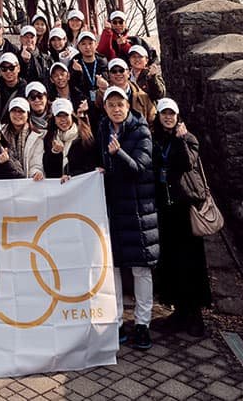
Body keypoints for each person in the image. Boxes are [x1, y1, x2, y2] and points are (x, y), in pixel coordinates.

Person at [95, 86, 158, 350]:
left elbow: (140, 168)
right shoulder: (102, 129)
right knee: (116, 267)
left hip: (138, 210)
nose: (116, 109)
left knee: (141, 269)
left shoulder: (141, 130)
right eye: (111, 105)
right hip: (112, 207)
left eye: (120, 104)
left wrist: (117, 154)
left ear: (128, 105)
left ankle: (143, 324)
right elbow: (103, 162)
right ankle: (118, 319)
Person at [152, 98, 211, 337]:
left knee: (191, 262)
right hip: (166, 209)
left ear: (178, 115)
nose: (168, 117)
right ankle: (178, 311)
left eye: (171, 113)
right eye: (164, 113)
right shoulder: (156, 139)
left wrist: (179, 140)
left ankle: (195, 314)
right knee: (171, 261)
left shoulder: (188, 139)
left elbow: (188, 163)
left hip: (186, 208)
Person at [42, 98, 98, 179]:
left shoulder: (85, 136)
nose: (63, 120)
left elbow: (91, 165)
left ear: (71, 115)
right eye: (59, 116)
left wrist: (70, 176)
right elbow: (49, 171)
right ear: (54, 119)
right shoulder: (49, 138)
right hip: (59, 188)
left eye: (66, 115)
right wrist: (55, 153)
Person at [97, 58, 157, 127]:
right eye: (114, 71)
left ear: (128, 73)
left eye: (121, 70)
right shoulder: (102, 92)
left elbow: (152, 118)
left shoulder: (142, 96)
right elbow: (99, 106)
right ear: (109, 75)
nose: (118, 74)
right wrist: (103, 90)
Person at [2, 97, 44, 181]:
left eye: (21, 111)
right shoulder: (0, 133)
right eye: (14, 111)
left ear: (28, 114)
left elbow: (36, 163)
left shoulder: (37, 137)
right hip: (5, 181)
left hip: (27, 184)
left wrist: (36, 173)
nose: (17, 114)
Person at [0, 52, 27, 123]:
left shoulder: (24, 88)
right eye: (4, 68)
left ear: (18, 68)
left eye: (11, 68)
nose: (8, 71)